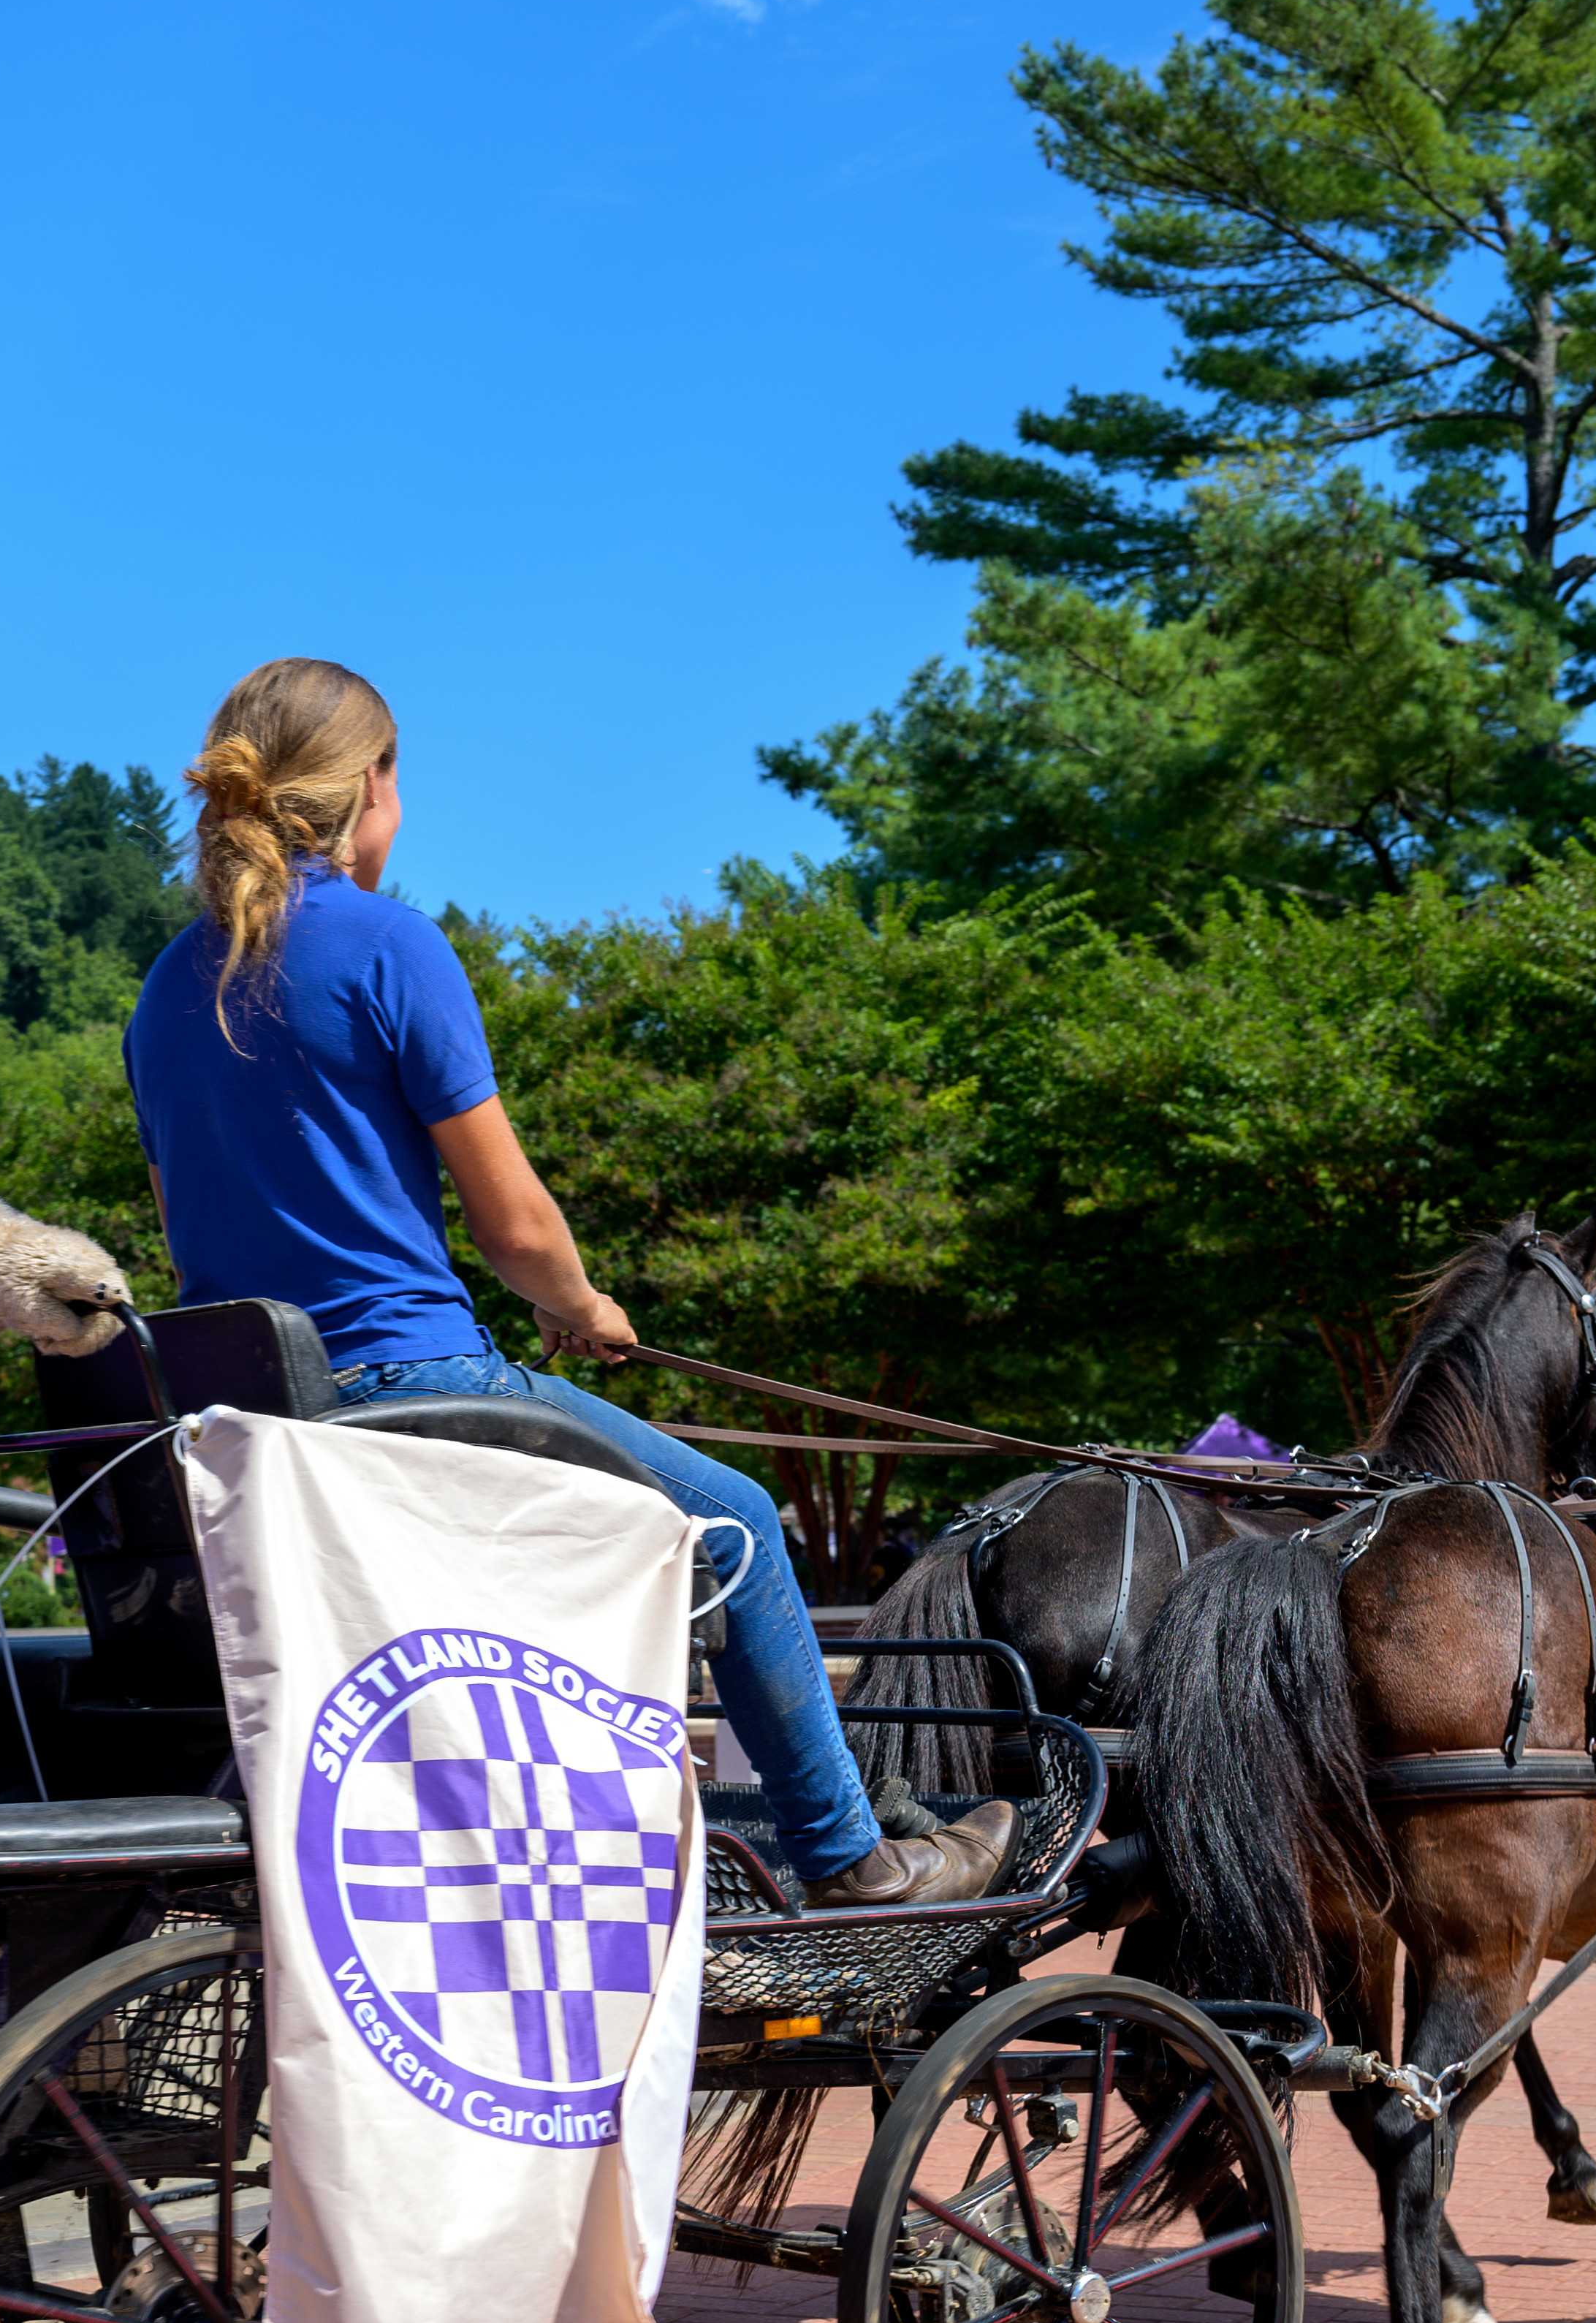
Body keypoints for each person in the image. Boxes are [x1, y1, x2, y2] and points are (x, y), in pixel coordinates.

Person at [123, 656, 1007, 1905]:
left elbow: (186, 1246)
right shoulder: (389, 947)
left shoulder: (164, 992)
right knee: (739, 1523)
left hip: (260, 1422)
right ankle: (852, 1858)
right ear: (372, 786)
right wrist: (578, 1305)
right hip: (418, 1391)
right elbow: (515, 1223)